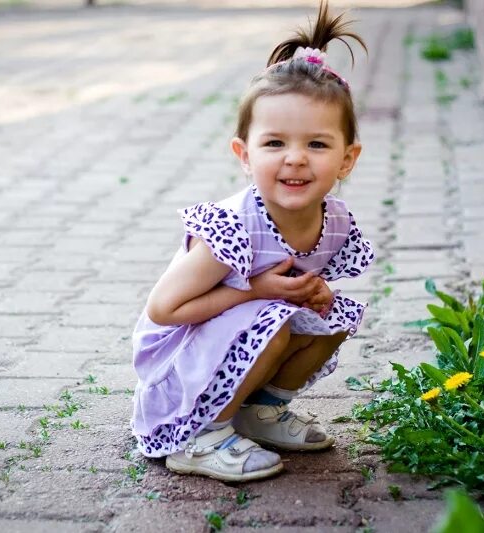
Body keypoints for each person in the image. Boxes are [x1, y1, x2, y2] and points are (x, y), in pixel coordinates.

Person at [130, 1, 374, 482]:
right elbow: (164, 310)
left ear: (347, 159)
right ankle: (199, 438)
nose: (296, 159)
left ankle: (258, 414)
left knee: (331, 317)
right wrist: (256, 290)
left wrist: (315, 292)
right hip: (179, 366)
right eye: (275, 143)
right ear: (244, 154)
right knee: (274, 322)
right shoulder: (234, 225)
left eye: (317, 144)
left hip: (230, 340)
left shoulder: (335, 221)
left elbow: (298, 286)